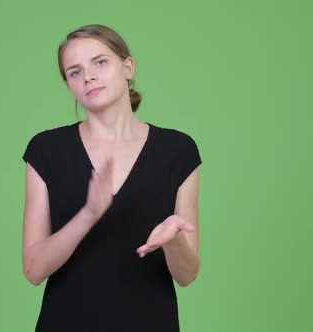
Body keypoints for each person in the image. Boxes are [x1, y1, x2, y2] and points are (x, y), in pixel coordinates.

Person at [21, 24, 202, 331]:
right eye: (74, 72)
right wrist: (88, 215)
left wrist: (173, 242)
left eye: (100, 62)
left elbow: (187, 275)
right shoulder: (46, 150)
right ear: (69, 85)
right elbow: (34, 270)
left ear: (127, 67)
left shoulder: (178, 150)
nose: (88, 76)